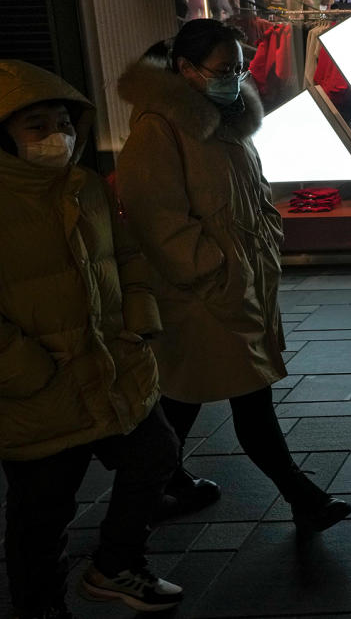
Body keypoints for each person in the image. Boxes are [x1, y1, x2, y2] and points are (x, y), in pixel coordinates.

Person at [115, 19, 351, 534]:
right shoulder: (160, 127)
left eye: (241, 68)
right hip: (203, 292)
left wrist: (264, 241)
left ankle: (159, 482)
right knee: (249, 392)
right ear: (186, 69)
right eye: (224, 69)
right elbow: (157, 218)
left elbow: (252, 190)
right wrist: (211, 269)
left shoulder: (227, 119)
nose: (237, 78)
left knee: (183, 392)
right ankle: (301, 495)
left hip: (240, 282)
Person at [1, 59, 183, 615]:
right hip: (40, 391)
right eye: (37, 126)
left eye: (64, 122)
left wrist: (140, 318)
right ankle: (43, 609)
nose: (58, 137)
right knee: (42, 515)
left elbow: (125, 256)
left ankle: (116, 565)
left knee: (155, 455)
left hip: (111, 366)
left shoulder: (84, 186)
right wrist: (22, 369)